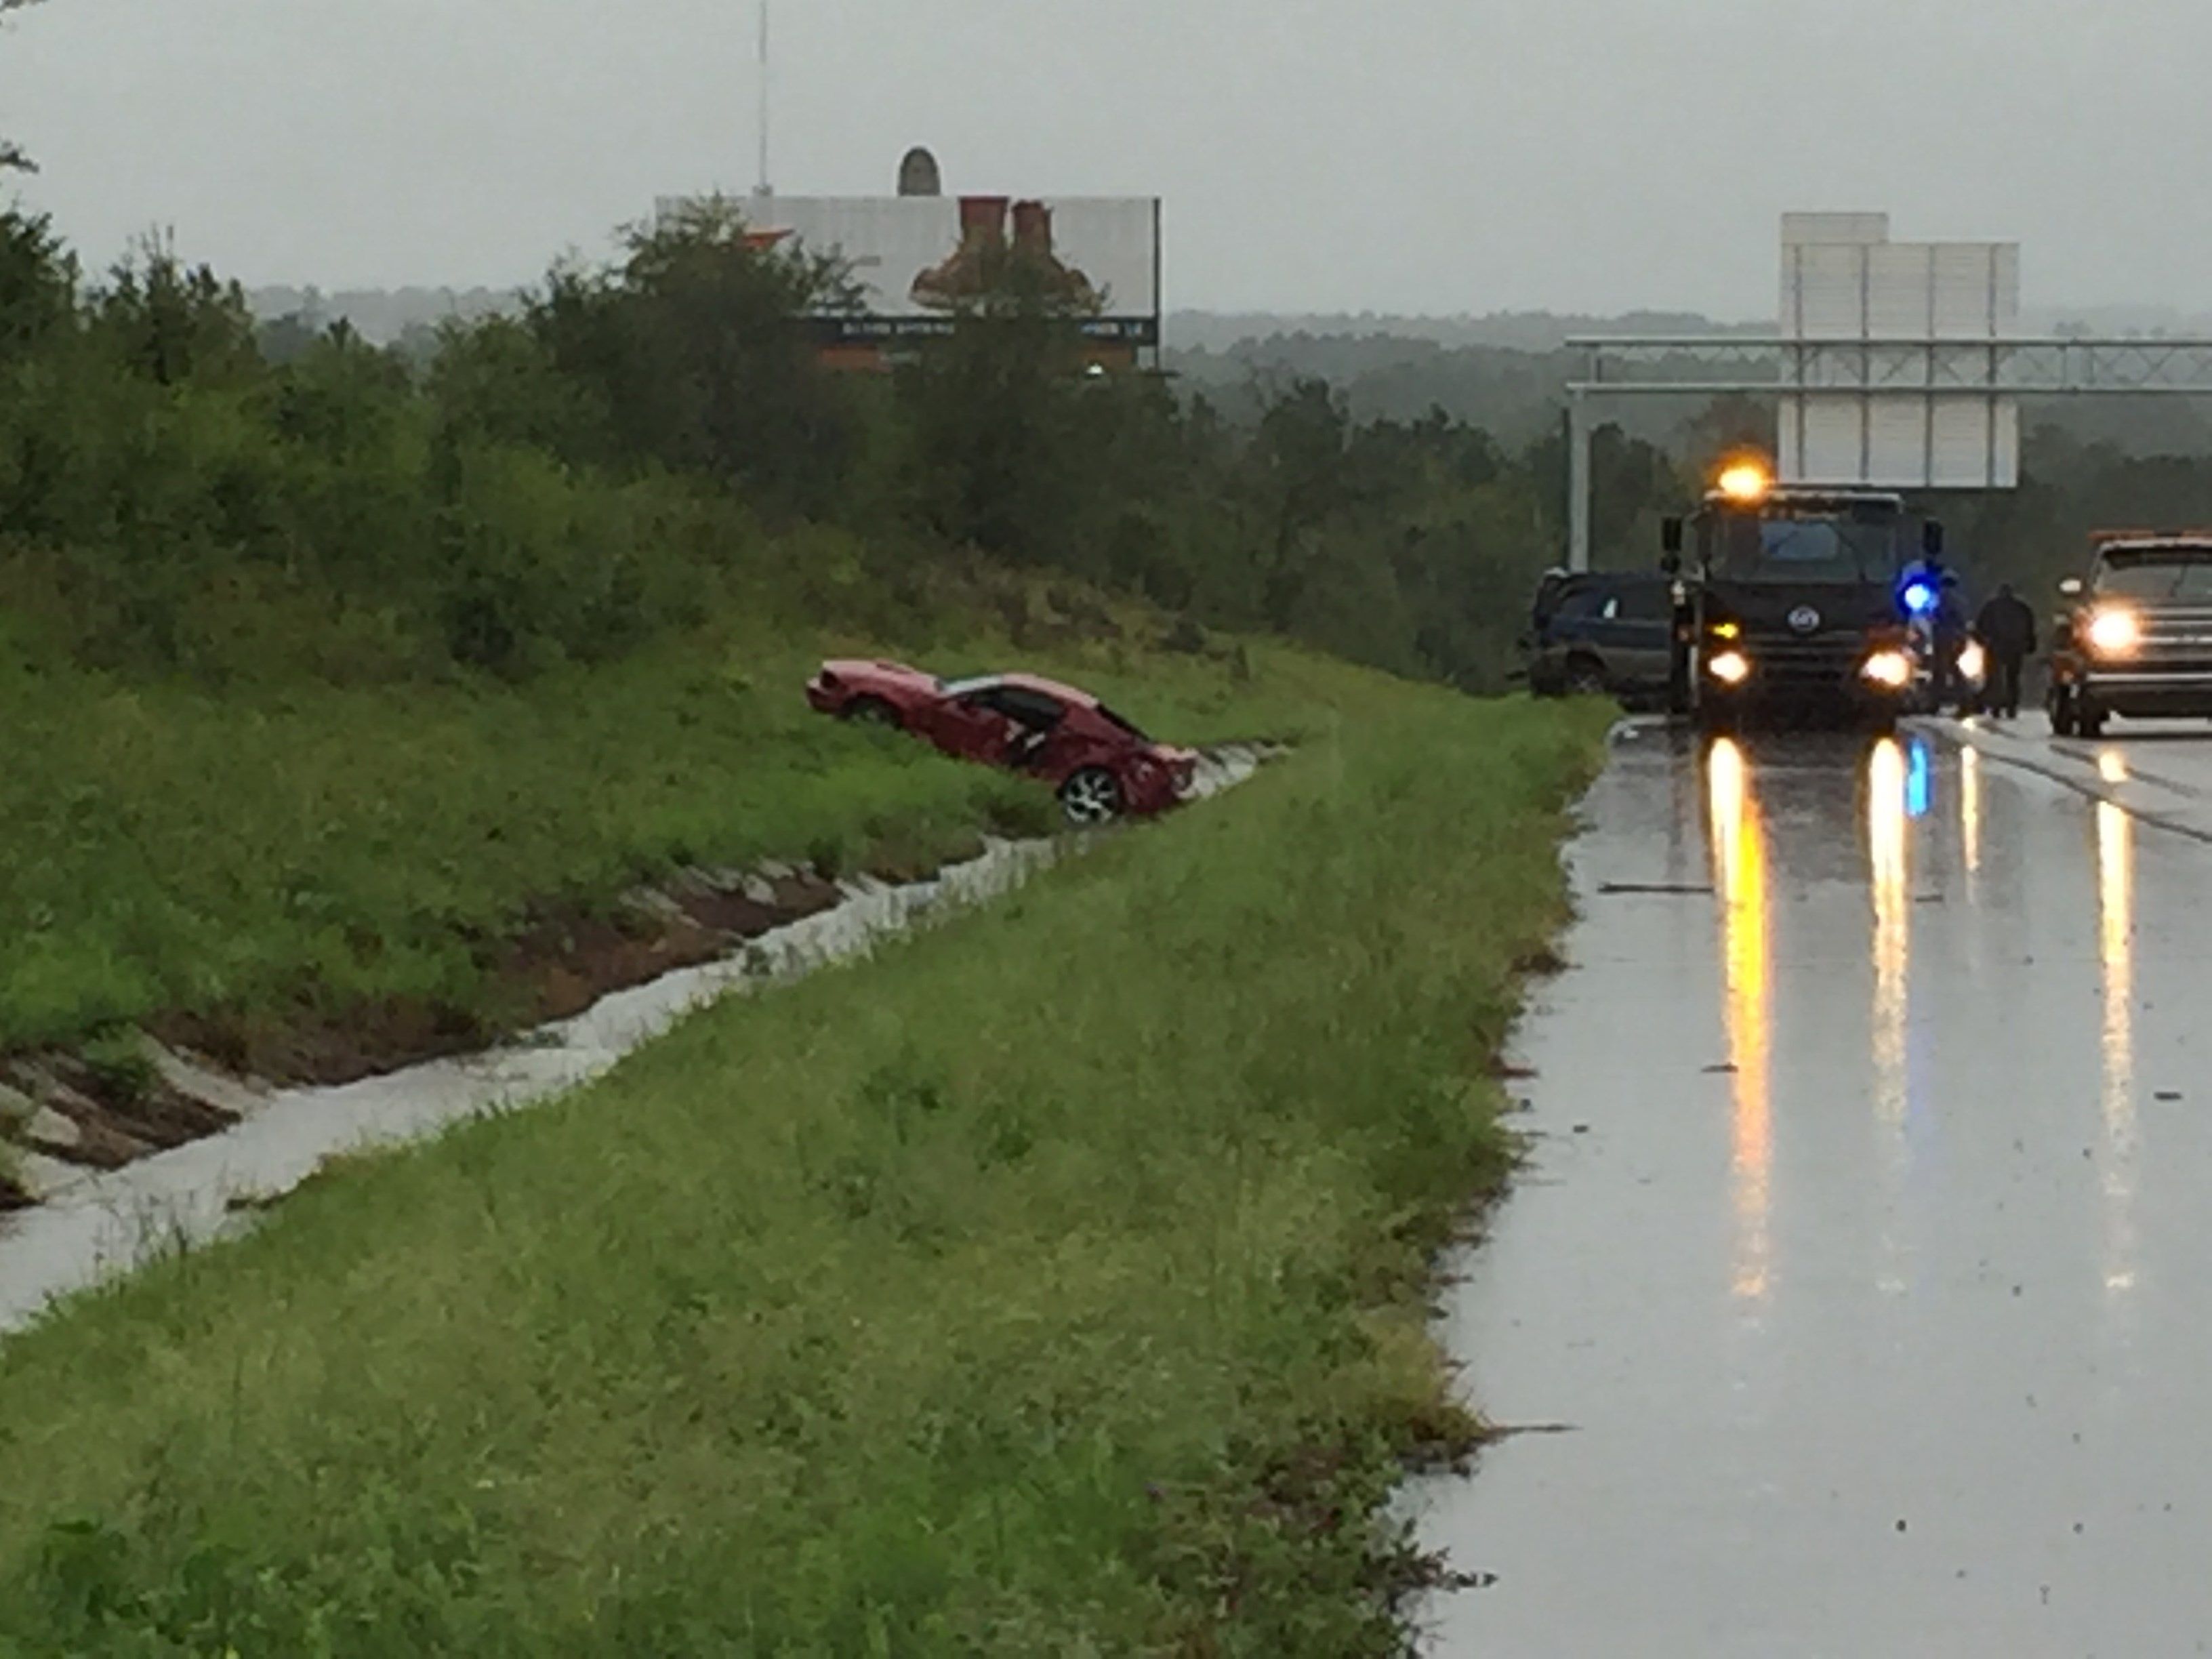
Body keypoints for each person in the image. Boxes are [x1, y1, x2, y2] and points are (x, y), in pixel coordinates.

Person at [1973, 581, 2039, 720]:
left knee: (1995, 677)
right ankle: (2011, 706)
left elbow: (1980, 626)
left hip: (1996, 646)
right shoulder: (2022, 608)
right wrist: (2030, 644)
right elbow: (2030, 628)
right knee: (2013, 678)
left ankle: (1996, 705)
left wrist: (1983, 641)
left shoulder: (1991, 607)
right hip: (2016, 647)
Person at [1931, 573, 1972, 713]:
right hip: (1954, 638)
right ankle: (1964, 701)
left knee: (1944, 670)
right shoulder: (1960, 600)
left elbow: (1940, 618)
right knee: (1952, 670)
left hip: (1947, 638)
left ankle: (1937, 702)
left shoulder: (1945, 599)